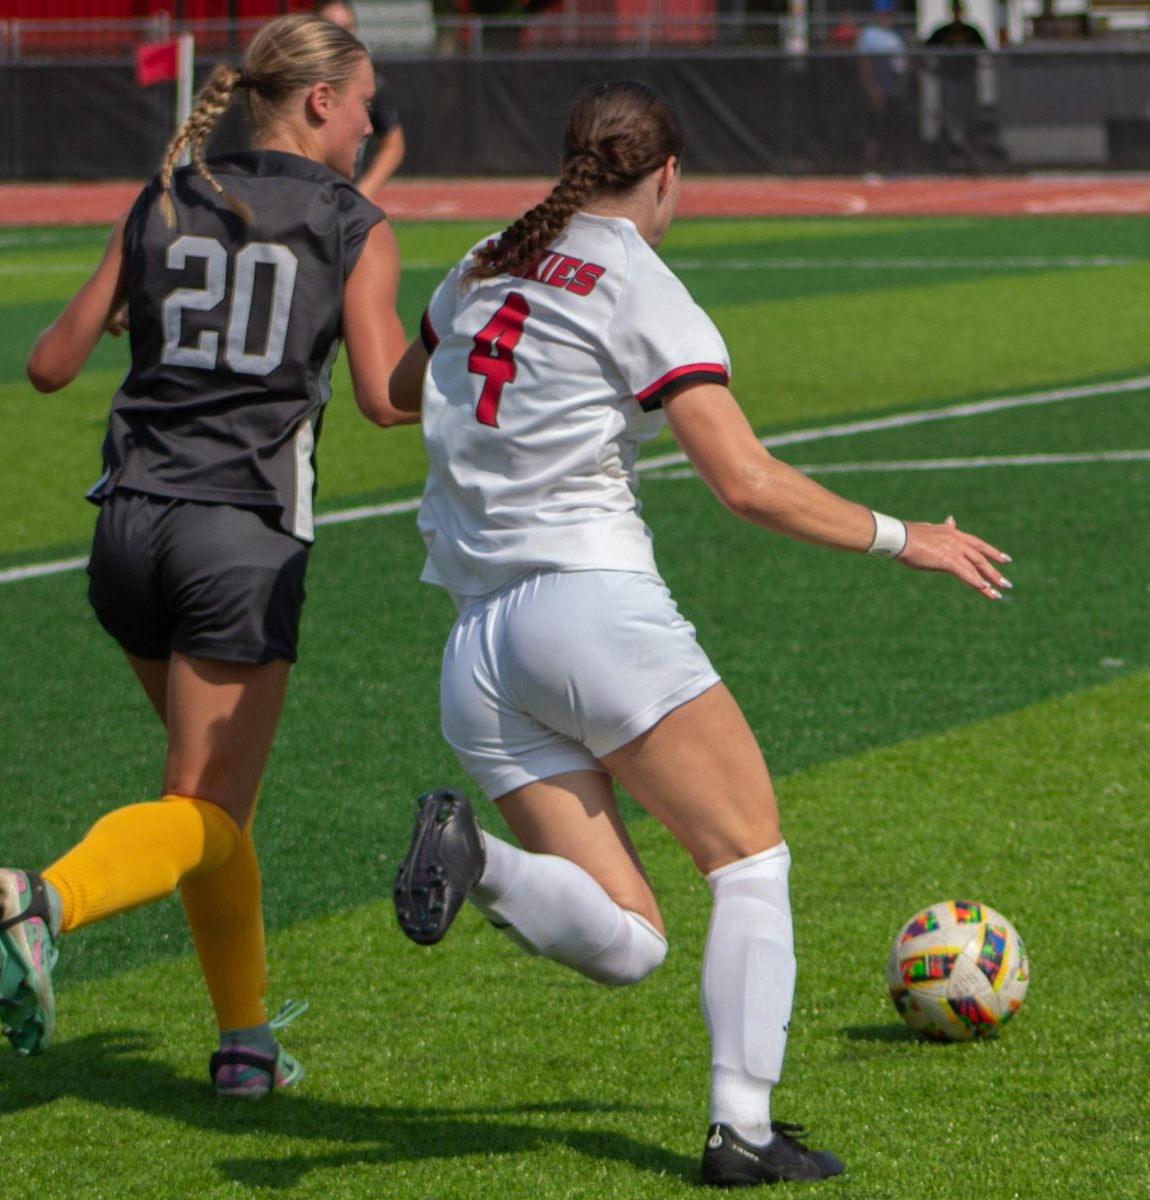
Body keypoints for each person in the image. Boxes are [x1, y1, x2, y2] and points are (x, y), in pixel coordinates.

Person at [388, 80, 1013, 1186]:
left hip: (475, 652)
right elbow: (745, 483)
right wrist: (900, 536)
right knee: (749, 860)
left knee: (631, 939)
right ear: (668, 175)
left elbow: (397, 388)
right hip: (589, 613)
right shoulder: (639, 278)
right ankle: (742, 1129)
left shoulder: (485, 256)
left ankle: (475, 859)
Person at [0, 12, 414, 1099]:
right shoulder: (351, 219)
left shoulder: (165, 198)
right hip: (239, 536)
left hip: (127, 527)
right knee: (205, 808)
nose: (370, 124)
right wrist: (464, 337)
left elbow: (46, 364)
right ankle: (49, 901)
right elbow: (383, 394)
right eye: (364, 104)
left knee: (212, 812)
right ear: (320, 102)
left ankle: (245, 1041)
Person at [315, 0, 406, 198]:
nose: (367, 129)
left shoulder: (370, 84)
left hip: (343, 197)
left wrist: (363, 193)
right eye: (332, 27)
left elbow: (393, 144)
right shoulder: (297, 79)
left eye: (347, 27)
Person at [925, 0, 988, 169]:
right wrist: (933, 69)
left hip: (967, 80)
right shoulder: (942, 32)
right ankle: (954, 156)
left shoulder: (971, 31)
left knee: (970, 117)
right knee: (950, 119)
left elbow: (985, 50)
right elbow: (924, 49)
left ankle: (971, 155)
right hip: (950, 81)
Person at [856, 0, 910, 173]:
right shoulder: (870, 34)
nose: (888, 17)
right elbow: (865, 64)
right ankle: (870, 167)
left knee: (895, 127)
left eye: (890, 13)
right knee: (875, 128)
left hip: (896, 86)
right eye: (884, 13)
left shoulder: (897, 33)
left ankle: (893, 167)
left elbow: (904, 61)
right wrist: (872, 88)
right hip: (880, 83)